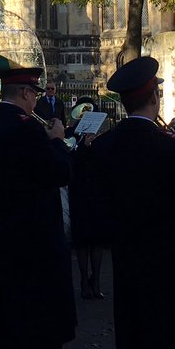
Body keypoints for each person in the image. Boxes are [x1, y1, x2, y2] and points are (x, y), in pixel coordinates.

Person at [91, 56, 175, 349]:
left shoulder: (103, 145)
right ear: (155, 97)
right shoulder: (169, 145)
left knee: (136, 329)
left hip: (127, 257)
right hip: (172, 259)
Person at [0, 67, 75, 349]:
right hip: (35, 238)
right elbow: (60, 172)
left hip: (0, 231)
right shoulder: (26, 128)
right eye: (34, 95)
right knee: (38, 323)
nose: (35, 103)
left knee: (6, 319)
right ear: (26, 93)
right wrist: (57, 140)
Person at [68, 96, 110, 301]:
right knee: (83, 239)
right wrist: (83, 146)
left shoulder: (102, 137)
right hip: (79, 192)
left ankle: (96, 279)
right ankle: (84, 279)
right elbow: (70, 163)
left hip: (98, 191)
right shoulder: (71, 135)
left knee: (98, 239)